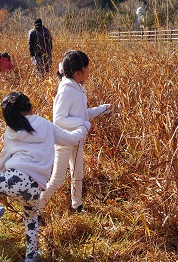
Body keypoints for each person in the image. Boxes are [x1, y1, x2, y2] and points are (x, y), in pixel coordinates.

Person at [0, 92, 91, 262]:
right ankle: (31, 256)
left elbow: (4, 159)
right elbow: (71, 138)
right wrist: (84, 126)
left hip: (15, 180)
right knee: (31, 219)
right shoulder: (45, 124)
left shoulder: (11, 131)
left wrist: (0, 184)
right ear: (30, 107)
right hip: (35, 188)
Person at [38, 50, 113, 219]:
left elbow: (81, 114)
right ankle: (37, 209)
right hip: (64, 141)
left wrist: (102, 109)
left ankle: (76, 206)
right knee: (57, 180)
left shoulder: (78, 88)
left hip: (77, 141)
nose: (89, 71)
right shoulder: (66, 91)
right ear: (78, 72)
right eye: (87, 68)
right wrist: (83, 124)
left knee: (78, 174)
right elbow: (58, 120)